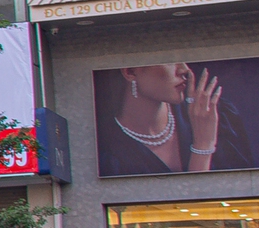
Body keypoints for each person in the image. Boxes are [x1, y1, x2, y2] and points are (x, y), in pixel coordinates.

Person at [99, 61, 249, 176]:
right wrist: (203, 146)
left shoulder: (214, 115)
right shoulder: (105, 149)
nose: (185, 70)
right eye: (169, 60)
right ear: (130, 71)